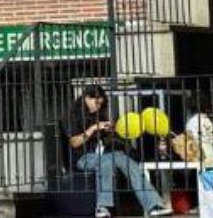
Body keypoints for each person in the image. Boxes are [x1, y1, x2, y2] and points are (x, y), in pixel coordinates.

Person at [60, 84, 171, 218]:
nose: (98, 106)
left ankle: (154, 205)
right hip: (81, 158)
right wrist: (93, 128)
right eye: (96, 102)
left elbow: (105, 139)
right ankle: (102, 207)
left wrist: (109, 130)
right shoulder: (71, 115)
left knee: (125, 160)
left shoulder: (98, 115)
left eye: (101, 104)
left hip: (100, 155)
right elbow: (74, 142)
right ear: (87, 98)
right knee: (106, 161)